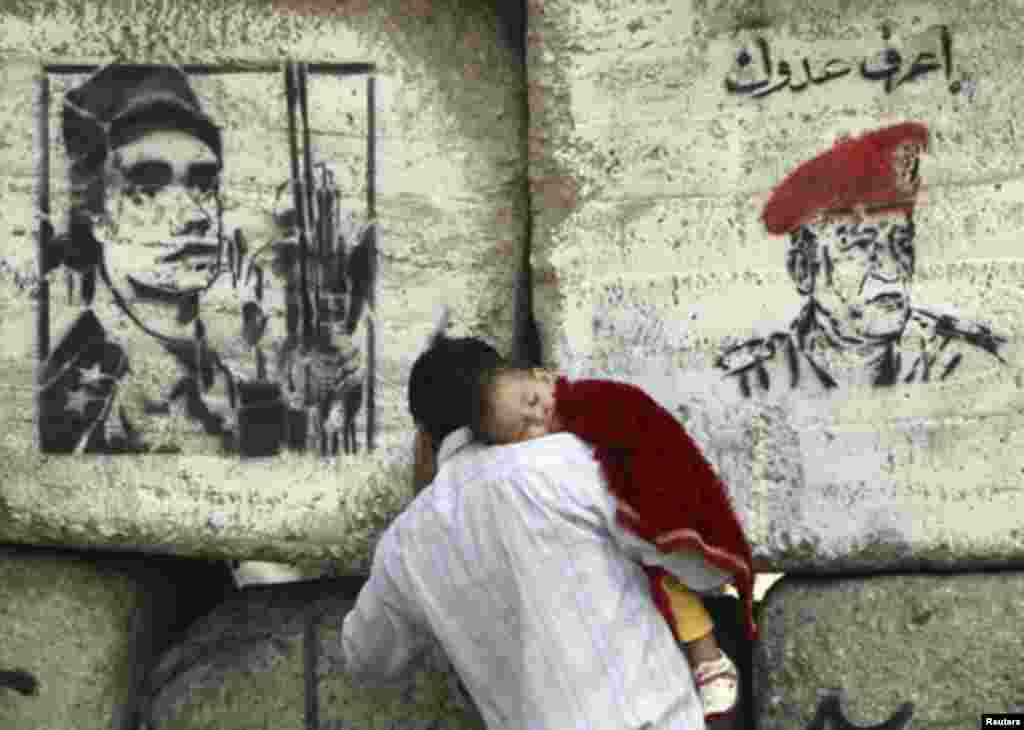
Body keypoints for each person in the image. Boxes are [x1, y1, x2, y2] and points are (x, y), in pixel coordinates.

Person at [340, 334, 713, 729]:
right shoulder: (569, 459)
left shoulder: (406, 544)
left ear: (425, 440)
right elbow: (702, 566)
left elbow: (365, 658)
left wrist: (422, 503)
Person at [468, 365, 754, 721]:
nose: (539, 415)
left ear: (543, 377)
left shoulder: (598, 405)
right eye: (525, 428)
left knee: (672, 586)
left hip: (659, 551)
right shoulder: (546, 462)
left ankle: (708, 657)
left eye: (534, 400)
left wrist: (651, 518)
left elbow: (646, 443)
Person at [716, 121, 1007, 397]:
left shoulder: (965, 367)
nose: (891, 270)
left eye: (901, 244)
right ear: (804, 270)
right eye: (862, 247)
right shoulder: (750, 384)